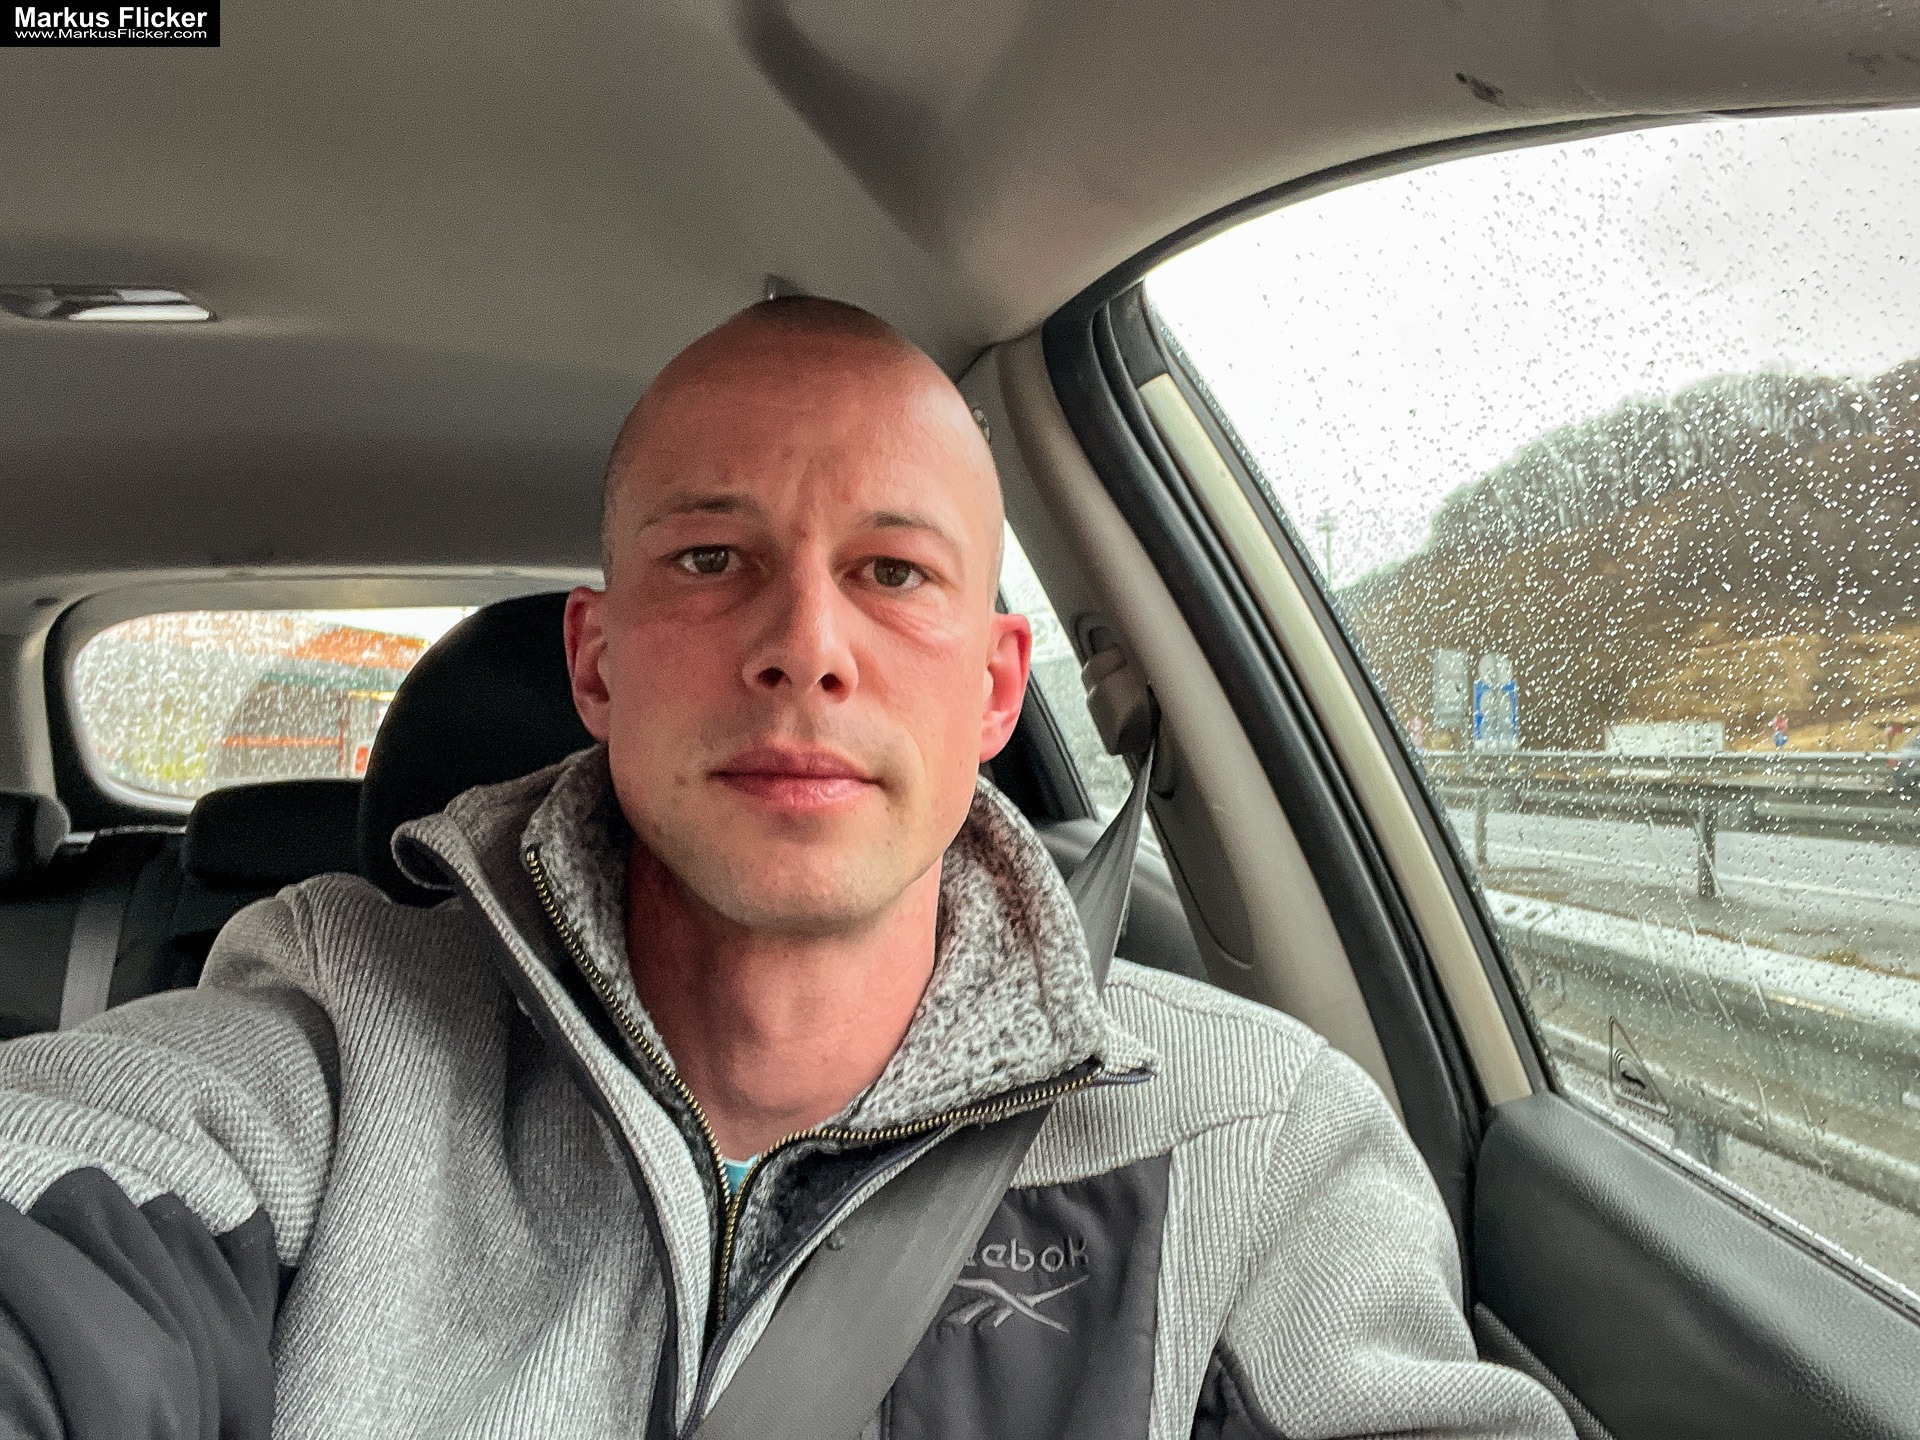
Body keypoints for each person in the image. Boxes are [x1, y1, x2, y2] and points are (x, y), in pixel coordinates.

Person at [0, 298, 1573, 1438]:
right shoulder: (335, 1038)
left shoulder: (1253, 1141)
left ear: (996, 691)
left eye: (892, 572)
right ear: (598, 664)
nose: (806, 647)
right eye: (711, 558)